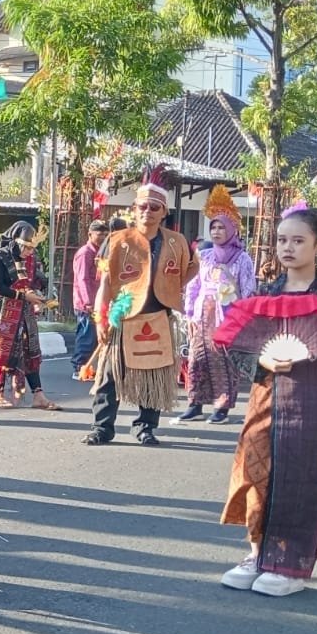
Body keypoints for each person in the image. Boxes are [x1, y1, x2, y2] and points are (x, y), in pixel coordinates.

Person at [219, 206, 317, 596]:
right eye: (282, 240)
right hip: (266, 394)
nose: (288, 248)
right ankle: (257, 552)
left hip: (315, 397)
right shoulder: (266, 292)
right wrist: (259, 359)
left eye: (298, 240)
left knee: (303, 476)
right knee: (256, 473)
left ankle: (291, 563)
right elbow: (235, 345)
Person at [85, 166, 198, 447]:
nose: (147, 211)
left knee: (155, 376)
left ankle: (145, 426)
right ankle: (102, 427)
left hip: (159, 316)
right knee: (109, 376)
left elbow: (189, 274)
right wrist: (101, 319)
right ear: (134, 210)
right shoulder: (117, 240)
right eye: (142, 206)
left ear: (164, 212)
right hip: (122, 319)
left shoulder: (178, 243)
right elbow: (105, 284)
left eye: (154, 207)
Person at [179, 186, 257, 424]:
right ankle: (195, 404)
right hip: (203, 314)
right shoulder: (205, 256)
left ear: (232, 230)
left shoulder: (242, 258)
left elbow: (249, 289)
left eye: (222, 227)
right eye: (213, 227)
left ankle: (221, 407)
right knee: (197, 358)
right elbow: (193, 285)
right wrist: (190, 313)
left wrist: (241, 316)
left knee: (224, 361)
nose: (216, 231)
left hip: (228, 315)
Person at [0, 221, 60, 410]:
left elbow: (32, 282)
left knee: (30, 349)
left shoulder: (29, 260)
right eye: (26, 247)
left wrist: (39, 299)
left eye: (31, 248)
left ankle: (38, 395)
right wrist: (23, 296)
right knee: (4, 350)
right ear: (15, 242)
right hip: (3, 308)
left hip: (24, 307)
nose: (28, 252)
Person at [71, 219, 106, 380]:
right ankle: (79, 367)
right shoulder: (85, 253)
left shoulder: (100, 253)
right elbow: (82, 279)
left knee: (94, 338)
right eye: (99, 234)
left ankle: (87, 368)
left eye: (105, 234)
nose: (103, 237)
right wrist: (89, 303)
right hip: (87, 304)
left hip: (98, 302)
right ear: (90, 234)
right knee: (86, 337)